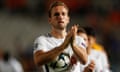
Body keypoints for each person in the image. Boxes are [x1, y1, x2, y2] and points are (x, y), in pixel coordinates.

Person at [33, 1, 88, 72]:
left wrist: (73, 45)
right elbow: (38, 61)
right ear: (50, 20)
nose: (60, 16)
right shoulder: (42, 40)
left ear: (68, 19)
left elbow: (84, 60)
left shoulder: (78, 39)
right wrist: (63, 46)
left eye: (63, 14)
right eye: (56, 14)